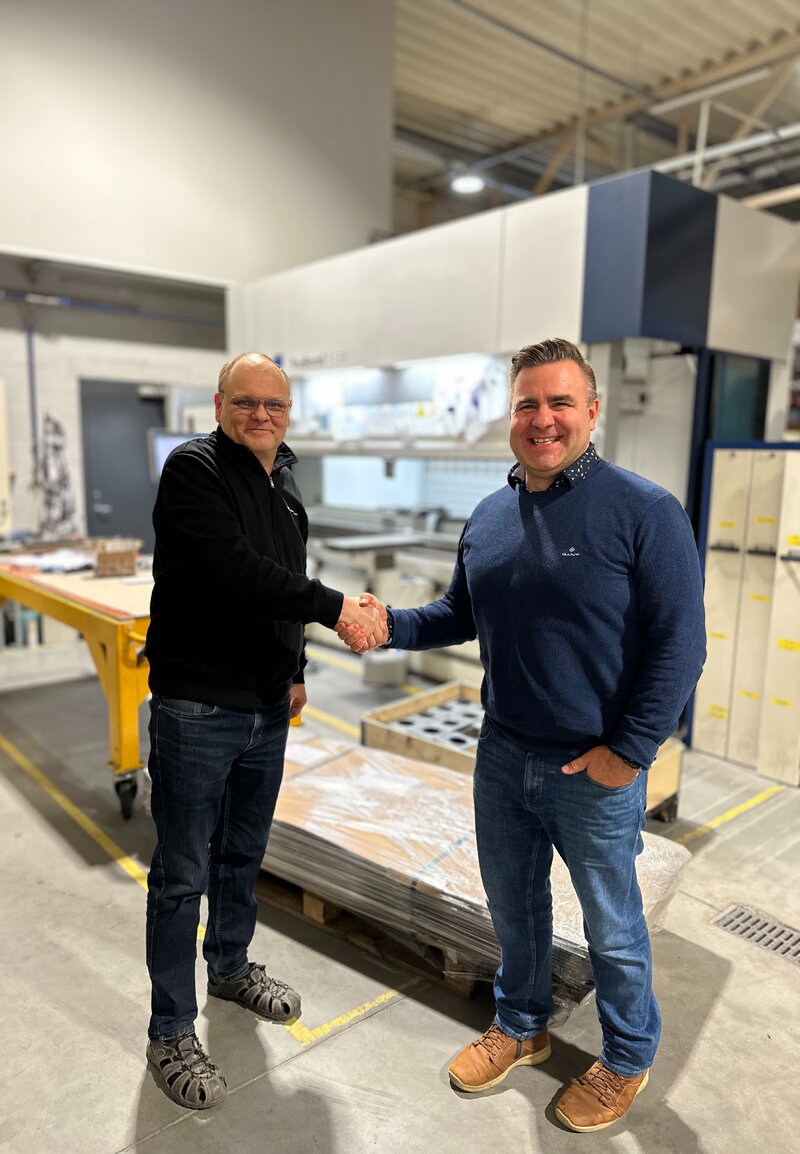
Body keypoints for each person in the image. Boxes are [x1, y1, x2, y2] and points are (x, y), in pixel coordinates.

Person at [338, 338, 705, 1133]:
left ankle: (627, 1056)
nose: (543, 419)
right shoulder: (492, 515)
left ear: (592, 411)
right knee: (514, 907)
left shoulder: (645, 511)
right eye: (527, 405)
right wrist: (389, 625)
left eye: (560, 402)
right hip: (503, 754)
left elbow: (681, 646)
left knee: (611, 926)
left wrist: (629, 752)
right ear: (511, 417)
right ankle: (521, 1025)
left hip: (591, 768)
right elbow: (459, 614)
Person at [144, 352, 381, 1110]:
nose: (260, 415)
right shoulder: (194, 471)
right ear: (218, 405)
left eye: (274, 405)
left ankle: (230, 967)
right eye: (245, 402)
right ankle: (171, 1029)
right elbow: (236, 571)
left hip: (266, 704)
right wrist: (336, 607)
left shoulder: (285, 480)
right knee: (182, 874)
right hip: (198, 706)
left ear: (288, 413)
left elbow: (284, 570)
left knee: (242, 852)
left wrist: (297, 665)